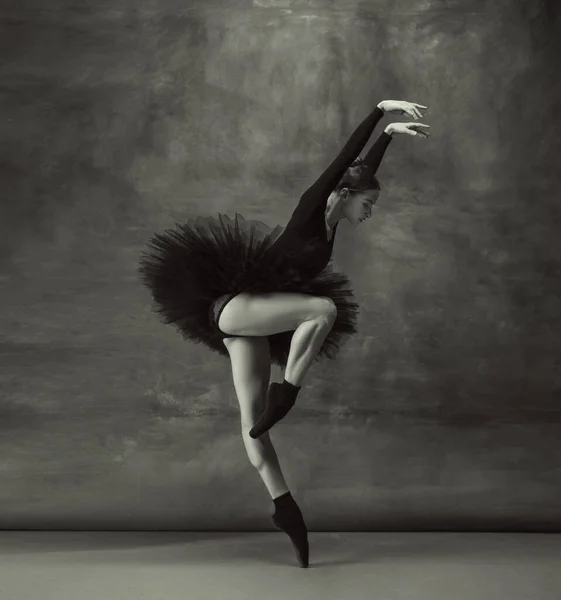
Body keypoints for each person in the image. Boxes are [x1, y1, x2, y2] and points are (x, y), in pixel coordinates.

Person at [138, 98, 429, 568]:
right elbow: (343, 164)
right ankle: (288, 392)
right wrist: (380, 112)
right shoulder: (315, 206)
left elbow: (360, 171)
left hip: (249, 322)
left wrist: (391, 139)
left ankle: (284, 508)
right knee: (323, 309)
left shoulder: (336, 219)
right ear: (344, 195)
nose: (370, 213)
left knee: (253, 424)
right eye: (368, 204)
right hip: (232, 306)